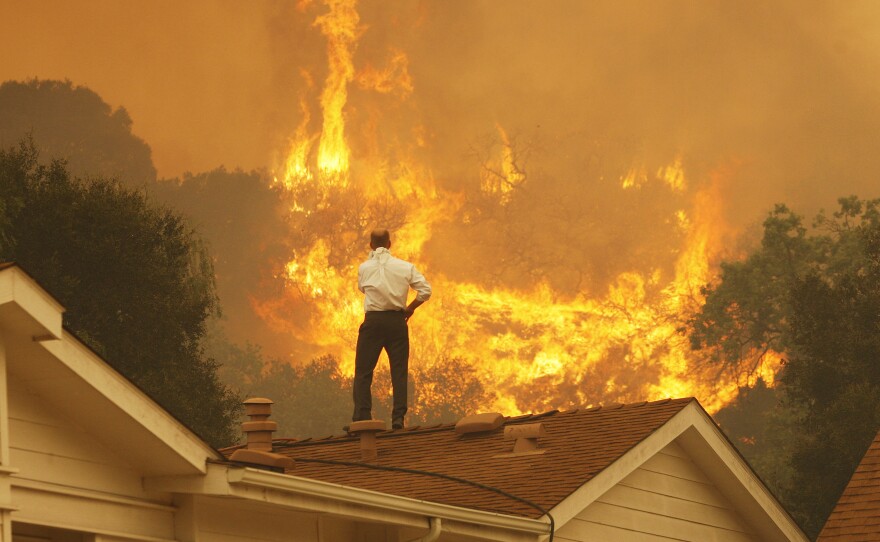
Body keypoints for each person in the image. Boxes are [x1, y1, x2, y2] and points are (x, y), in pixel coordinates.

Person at [352, 228, 431, 430]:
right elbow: (425, 291)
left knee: (363, 372)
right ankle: (398, 419)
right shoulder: (405, 267)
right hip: (397, 322)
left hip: (373, 322)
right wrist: (410, 309)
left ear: (371, 245)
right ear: (390, 244)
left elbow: (363, 288)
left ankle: (362, 418)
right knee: (399, 372)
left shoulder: (364, 268)